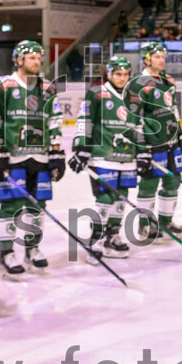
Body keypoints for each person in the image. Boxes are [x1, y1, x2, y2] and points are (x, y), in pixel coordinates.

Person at [0, 40, 65, 277]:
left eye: (39, 58)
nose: (37, 62)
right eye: (31, 58)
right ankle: (6, 253)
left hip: (40, 156)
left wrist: (57, 153)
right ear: (19, 60)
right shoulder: (2, 86)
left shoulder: (48, 88)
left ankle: (32, 248)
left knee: (37, 206)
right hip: (12, 157)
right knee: (11, 206)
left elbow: (55, 120)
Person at [69, 56, 136, 261]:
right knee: (105, 197)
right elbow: (85, 120)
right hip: (102, 156)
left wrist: (143, 151)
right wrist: (81, 147)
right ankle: (95, 238)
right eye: (118, 74)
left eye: (125, 74)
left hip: (127, 157)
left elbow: (138, 126)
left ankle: (112, 235)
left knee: (121, 196)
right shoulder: (97, 94)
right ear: (109, 74)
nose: (122, 78)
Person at [127, 42, 182, 241]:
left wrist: (181, 133)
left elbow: (174, 110)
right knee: (149, 184)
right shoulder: (138, 83)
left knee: (173, 181)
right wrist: (141, 146)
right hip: (152, 142)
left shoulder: (168, 80)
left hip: (171, 141)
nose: (161, 59)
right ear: (146, 59)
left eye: (163, 56)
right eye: (157, 56)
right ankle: (145, 226)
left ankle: (165, 221)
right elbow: (132, 118)